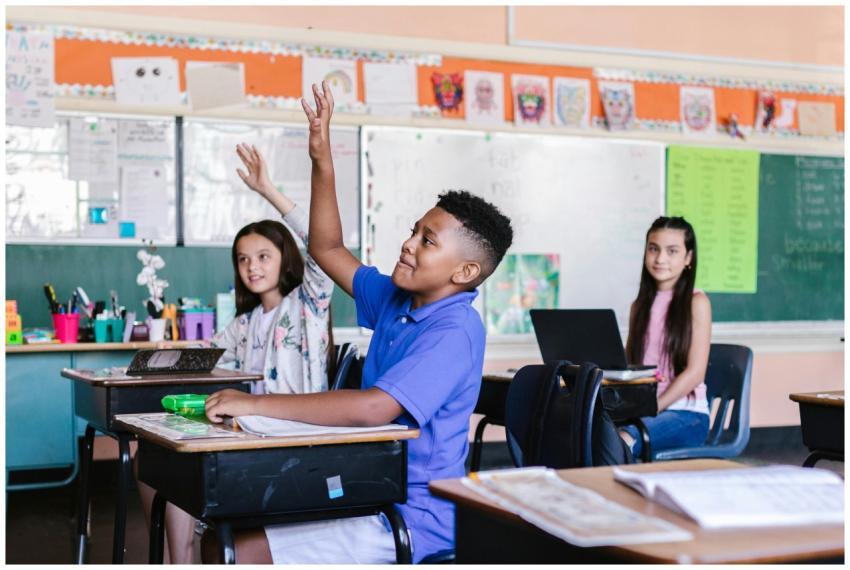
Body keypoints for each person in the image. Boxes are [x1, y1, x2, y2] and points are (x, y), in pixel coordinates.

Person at [201, 80, 514, 564]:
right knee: (222, 528)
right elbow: (327, 249)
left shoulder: (455, 331)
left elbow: (373, 409)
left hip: (411, 514)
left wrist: (256, 402)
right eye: (414, 231)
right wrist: (322, 160)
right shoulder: (396, 296)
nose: (408, 243)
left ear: (465, 271)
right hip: (365, 483)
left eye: (427, 241)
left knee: (240, 551)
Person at [136, 142, 334, 564]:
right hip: (252, 431)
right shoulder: (245, 324)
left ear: (285, 260)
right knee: (154, 457)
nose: (252, 266)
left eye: (264, 256)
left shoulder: (307, 305)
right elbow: (202, 353)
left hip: (295, 436)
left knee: (180, 463)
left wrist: (268, 190)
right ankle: (179, 557)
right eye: (243, 259)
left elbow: (321, 246)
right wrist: (148, 361)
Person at [619, 216, 712, 458]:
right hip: (643, 411)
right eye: (653, 249)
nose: (660, 259)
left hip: (687, 414)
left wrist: (654, 408)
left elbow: (695, 373)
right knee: (584, 431)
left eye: (672, 251)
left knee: (624, 438)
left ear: (688, 258)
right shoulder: (638, 306)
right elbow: (630, 367)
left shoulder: (697, 302)